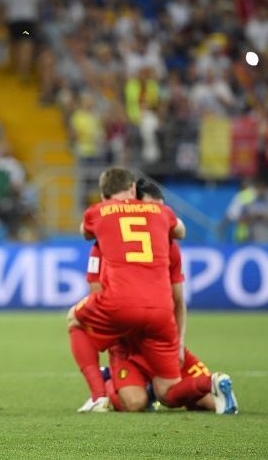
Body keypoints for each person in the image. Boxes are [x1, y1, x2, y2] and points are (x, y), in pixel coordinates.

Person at [68, 168, 226, 415]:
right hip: (151, 323)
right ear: (133, 192)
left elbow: (94, 286)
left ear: (103, 193)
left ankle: (99, 394)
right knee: (139, 401)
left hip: (132, 316)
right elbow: (180, 232)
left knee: (74, 319)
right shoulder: (163, 218)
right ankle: (205, 383)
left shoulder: (100, 218)